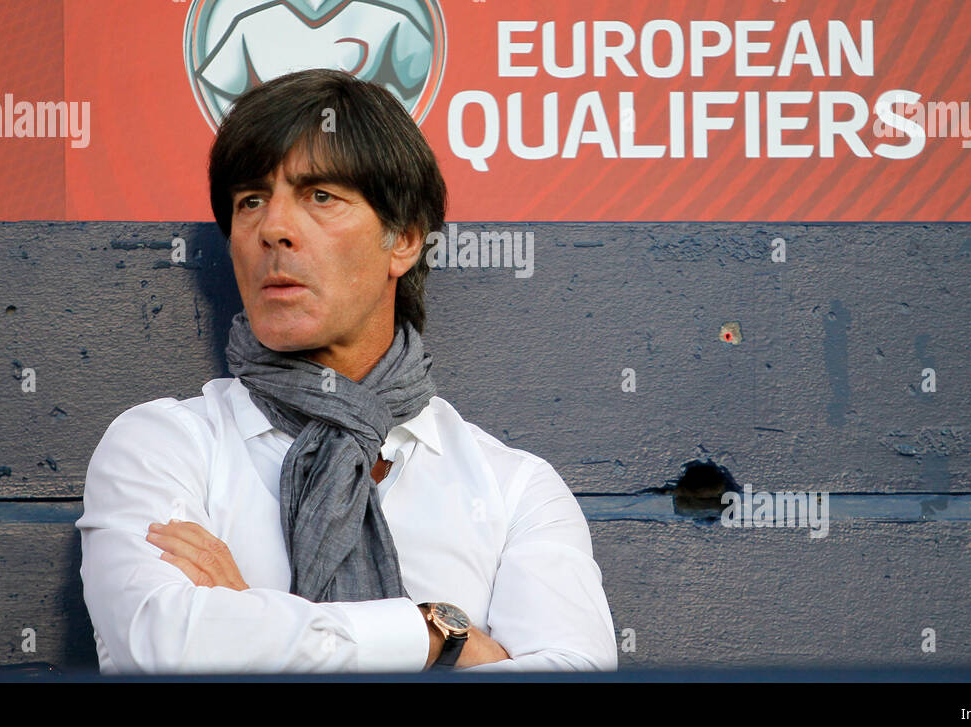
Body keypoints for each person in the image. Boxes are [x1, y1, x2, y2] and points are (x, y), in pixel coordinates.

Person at [76, 68, 617, 673]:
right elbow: (167, 648)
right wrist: (437, 637)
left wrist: (251, 619)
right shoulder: (161, 447)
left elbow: (573, 673)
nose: (273, 229)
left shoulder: (513, 490)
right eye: (251, 200)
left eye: (321, 197)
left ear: (405, 240)